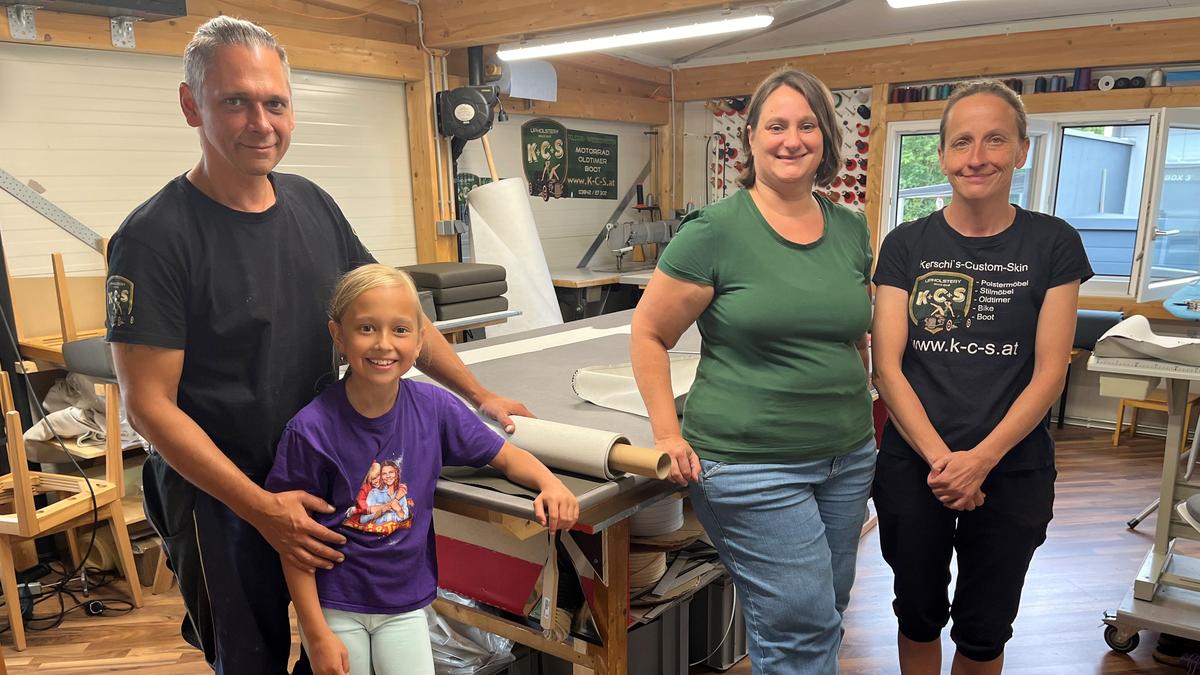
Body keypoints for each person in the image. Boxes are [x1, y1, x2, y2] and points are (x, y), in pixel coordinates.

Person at [106, 16, 531, 673]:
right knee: (250, 657)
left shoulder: (311, 204)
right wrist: (262, 508)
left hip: (323, 479)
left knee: (337, 645)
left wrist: (477, 391)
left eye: (275, 102)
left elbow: (399, 310)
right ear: (192, 104)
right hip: (223, 500)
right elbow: (150, 407)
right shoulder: (155, 238)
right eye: (235, 101)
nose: (261, 122)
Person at [630, 68, 876, 674]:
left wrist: (870, 410)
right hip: (749, 462)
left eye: (806, 125)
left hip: (847, 456)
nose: (791, 139)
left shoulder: (849, 227)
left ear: (826, 139)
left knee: (819, 610)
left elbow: (856, 336)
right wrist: (666, 432)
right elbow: (648, 333)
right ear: (751, 138)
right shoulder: (715, 231)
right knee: (802, 620)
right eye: (776, 126)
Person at [871, 80, 1093, 675]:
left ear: (1021, 149)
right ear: (942, 154)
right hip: (913, 463)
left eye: (995, 139)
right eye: (962, 142)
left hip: (1012, 466)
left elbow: (1050, 372)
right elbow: (887, 368)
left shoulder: (1054, 243)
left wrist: (981, 460)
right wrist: (946, 461)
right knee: (916, 611)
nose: (977, 157)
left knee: (985, 626)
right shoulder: (904, 244)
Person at [267, 265, 578, 675]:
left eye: (400, 330)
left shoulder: (434, 408)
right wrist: (316, 632)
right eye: (366, 328)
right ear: (338, 335)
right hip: (335, 605)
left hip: (404, 604)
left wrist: (549, 483)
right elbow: (293, 543)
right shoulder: (310, 431)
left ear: (419, 341)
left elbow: (503, 455)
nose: (383, 344)